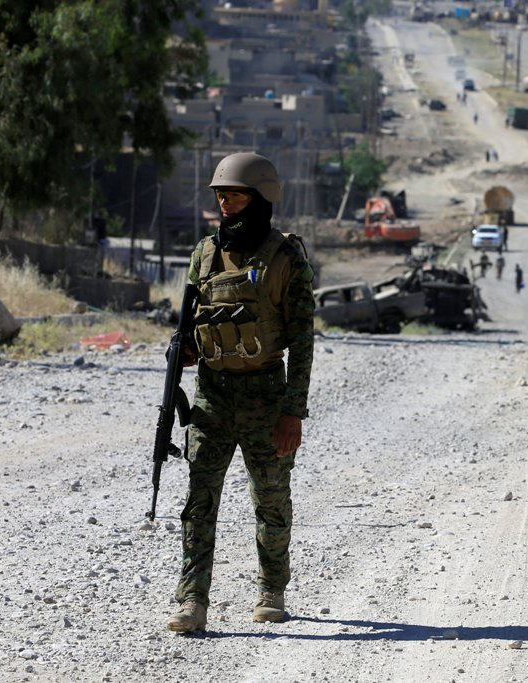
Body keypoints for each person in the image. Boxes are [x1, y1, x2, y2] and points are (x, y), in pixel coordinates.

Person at [166, 152, 315, 633]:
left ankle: (272, 590)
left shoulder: (285, 257)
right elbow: (189, 324)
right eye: (220, 196)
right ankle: (192, 599)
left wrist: (292, 412)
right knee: (198, 500)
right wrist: (187, 350)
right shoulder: (204, 254)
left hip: (266, 396)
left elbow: (303, 342)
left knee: (270, 501)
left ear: (261, 197)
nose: (225, 203)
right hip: (211, 395)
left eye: (233, 194)